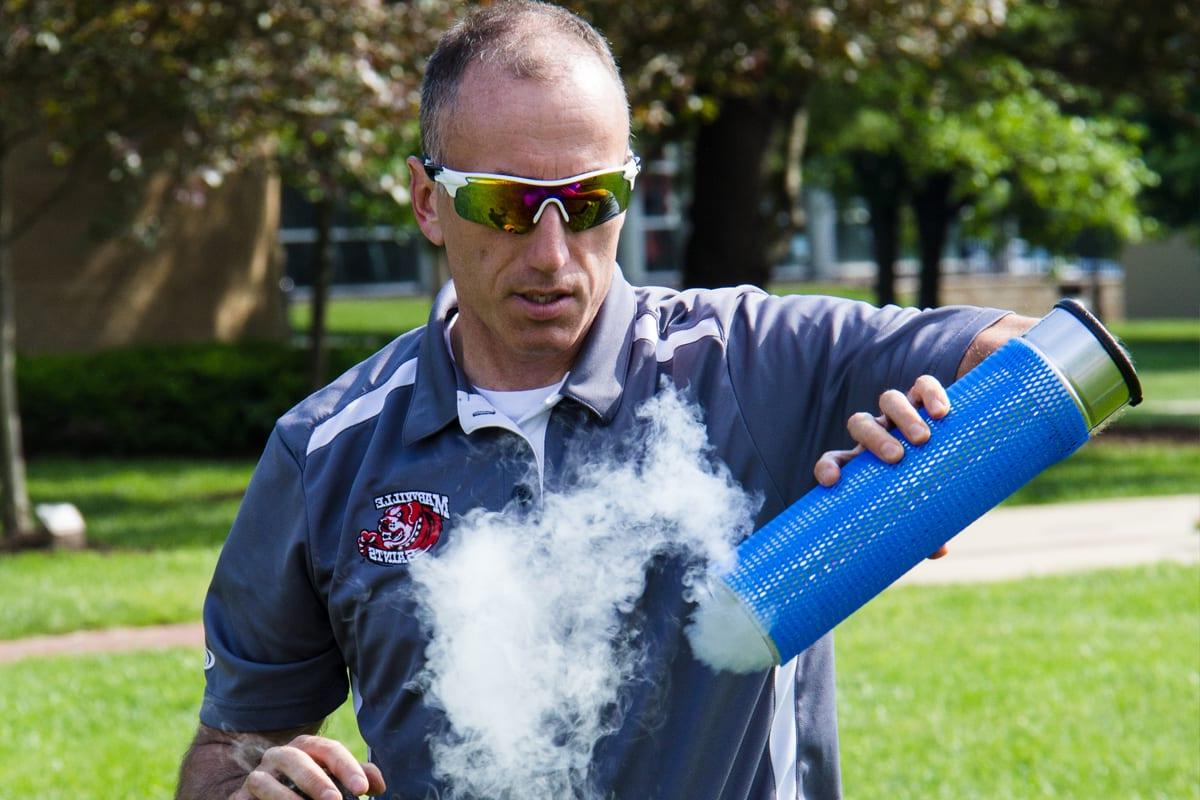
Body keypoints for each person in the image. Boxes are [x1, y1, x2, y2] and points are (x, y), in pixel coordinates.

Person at [175, 3, 1033, 799]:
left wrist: (940, 451)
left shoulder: (752, 361)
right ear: (428, 201)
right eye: (507, 205)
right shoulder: (326, 449)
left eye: (589, 202)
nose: (554, 253)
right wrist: (259, 786)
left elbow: (1041, 358)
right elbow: (230, 751)